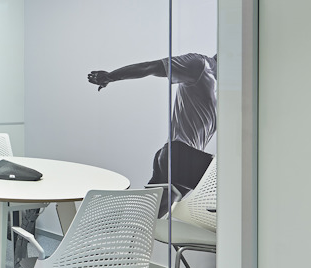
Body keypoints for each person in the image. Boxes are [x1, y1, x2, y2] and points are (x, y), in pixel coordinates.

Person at [87, 53, 217, 212]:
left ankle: (106, 223)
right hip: (180, 155)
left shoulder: (224, 93)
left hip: (176, 162)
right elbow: (150, 67)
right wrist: (110, 76)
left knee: (146, 216)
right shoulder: (201, 65)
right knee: (229, 176)